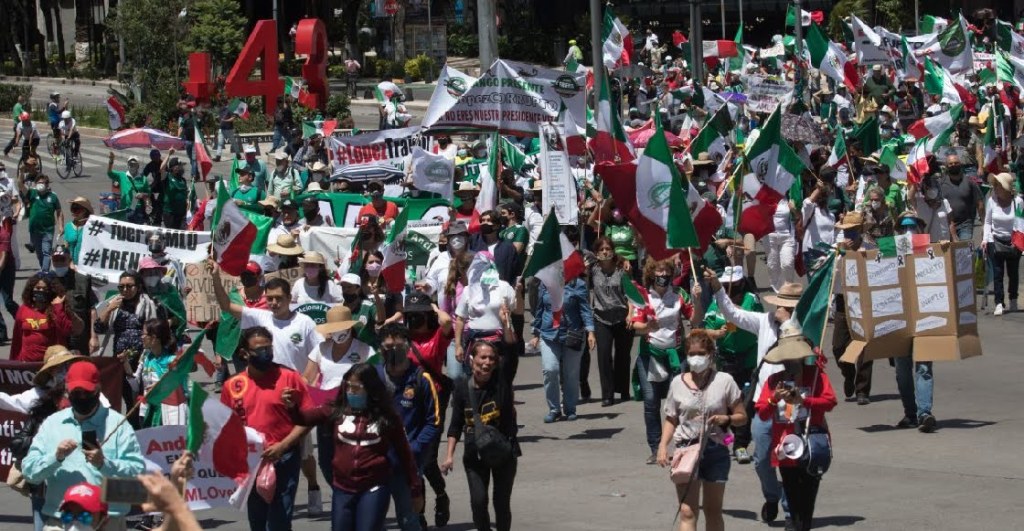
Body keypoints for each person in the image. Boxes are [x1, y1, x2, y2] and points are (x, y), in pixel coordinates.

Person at [702, 269, 800, 529]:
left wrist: (789, 322)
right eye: (779, 305)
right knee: (762, 460)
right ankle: (772, 496)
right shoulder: (765, 321)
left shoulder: (802, 327)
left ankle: (791, 512)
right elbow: (733, 314)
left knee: (789, 459)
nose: (779, 309)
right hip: (764, 403)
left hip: (790, 404)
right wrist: (716, 286)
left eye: (785, 307)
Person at [284, 361, 423, 531]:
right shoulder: (335, 411)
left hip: (374, 487)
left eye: (356, 387)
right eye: (348, 386)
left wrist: (415, 490)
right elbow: (303, 419)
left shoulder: (388, 417)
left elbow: (405, 454)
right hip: (343, 488)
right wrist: (292, 408)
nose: (351, 391)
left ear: (370, 388)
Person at [22, 360, 146, 531]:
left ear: (98, 389)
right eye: (76, 392)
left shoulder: (118, 424)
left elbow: (137, 474)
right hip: (61, 520)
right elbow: (29, 472)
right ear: (67, 390)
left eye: (87, 392)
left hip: (107, 521)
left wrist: (104, 464)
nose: (81, 397)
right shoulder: (52, 424)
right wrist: (55, 457)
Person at [656, 329, 747, 531]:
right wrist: (663, 446)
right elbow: (671, 418)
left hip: (716, 449)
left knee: (712, 510)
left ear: (711, 355)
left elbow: (742, 417)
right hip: (685, 450)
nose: (696, 358)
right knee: (687, 511)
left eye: (700, 353)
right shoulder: (677, 383)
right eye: (691, 354)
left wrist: (727, 418)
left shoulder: (725, 381)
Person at [223, 326, 312, 531]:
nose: (266, 354)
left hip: (284, 457)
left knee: (280, 520)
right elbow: (226, 426)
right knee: (257, 520)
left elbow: (307, 418)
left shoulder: (289, 378)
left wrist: (283, 445)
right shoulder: (233, 386)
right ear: (245, 354)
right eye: (260, 350)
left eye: (269, 349)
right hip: (252, 462)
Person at [755, 321, 837, 531]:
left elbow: (830, 402)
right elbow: (762, 413)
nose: (791, 363)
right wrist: (774, 399)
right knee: (791, 493)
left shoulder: (816, 376)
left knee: (808, 495)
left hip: (811, 443)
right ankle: (796, 523)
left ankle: (803, 525)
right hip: (785, 446)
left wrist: (804, 401)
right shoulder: (774, 381)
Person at [441, 341, 520, 531]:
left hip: (504, 452)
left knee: (501, 503)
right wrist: (449, 456)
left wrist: (508, 321)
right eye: (482, 357)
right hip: (474, 453)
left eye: (492, 358)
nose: (487, 362)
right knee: (478, 501)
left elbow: (511, 352)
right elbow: (455, 425)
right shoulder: (461, 386)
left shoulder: (501, 381)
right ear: (471, 360)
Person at [695, 266, 761, 465]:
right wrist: (718, 333)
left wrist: (738, 314)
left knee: (745, 404)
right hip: (726, 360)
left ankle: (741, 444)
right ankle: (726, 439)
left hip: (748, 359)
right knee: (724, 404)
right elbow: (705, 329)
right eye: (725, 285)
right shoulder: (717, 302)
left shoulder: (751, 299)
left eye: (733, 284)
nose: (729, 288)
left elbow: (760, 322)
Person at [378, 324, 440, 531]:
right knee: (372, 518)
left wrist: (414, 448)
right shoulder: (373, 378)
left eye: (397, 346)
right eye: (387, 347)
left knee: (408, 518)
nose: (392, 351)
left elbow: (434, 422)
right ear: (380, 349)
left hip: (408, 463)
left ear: (408, 347)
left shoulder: (422, 379)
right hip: (375, 462)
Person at [631, 258, 691, 464]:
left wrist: (698, 299)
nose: (663, 274)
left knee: (681, 402)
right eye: (659, 270)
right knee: (651, 401)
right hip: (650, 355)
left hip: (675, 354)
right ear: (651, 273)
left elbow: (696, 318)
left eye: (666, 271)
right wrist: (649, 327)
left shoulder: (680, 295)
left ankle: (683, 445)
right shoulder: (643, 296)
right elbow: (635, 324)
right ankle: (656, 448)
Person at [403, 291, 454, 527]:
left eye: (418, 316)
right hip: (410, 403)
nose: (414, 320)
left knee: (429, 457)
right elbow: (381, 330)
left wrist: (431, 306)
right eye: (410, 316)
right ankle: (419, 513)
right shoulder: (403, 339)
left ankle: (441, 496)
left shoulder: (436, 336)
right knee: (415, 457)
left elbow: (446, 321)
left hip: (435, 401)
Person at [531, 263, 595, 423]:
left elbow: (585, 310)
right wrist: (536, 333)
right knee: (550, 369)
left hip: (572, 334)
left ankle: (570, 408)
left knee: (571, 374)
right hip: (549, 333)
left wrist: (590, 331)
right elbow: (539, 308)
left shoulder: (578, 285)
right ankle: (554, 408)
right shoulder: (545, 284)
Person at [453, 253, 520, 383]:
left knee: (499, 379)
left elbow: (518, 310)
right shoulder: (468, 290)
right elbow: (460, 319)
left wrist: (518, 292)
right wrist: (458, 345)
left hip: (499, 341)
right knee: (475, 379)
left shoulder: (503, 287)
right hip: (475, 340)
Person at [588, 237, 634, 407]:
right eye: (601, 249)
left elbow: (631, 293)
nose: (605, 252)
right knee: (604, 355)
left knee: (623, 355)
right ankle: (607, 394)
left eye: (608, 248)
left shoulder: (622, 270)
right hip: (602, 317)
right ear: (597, 253)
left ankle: (622, 389)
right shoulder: (592, 269)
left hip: (622, 316)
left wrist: (630, 313)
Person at [128, 318, 186, 428]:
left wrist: (160, 385)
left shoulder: (171, 360)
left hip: (167, 412)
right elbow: (135, 384)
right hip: (147, 411)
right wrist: (125, 364)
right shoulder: (146, 357)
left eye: (144, 334)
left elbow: (189, 370)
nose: (142, 337)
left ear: (154, 338)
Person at [11, 272, 80, 362]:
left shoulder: (56, 309)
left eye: (45, 289)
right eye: (38, 288)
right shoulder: (23, 309)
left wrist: (59, 307)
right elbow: (17, 339)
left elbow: (67, 330)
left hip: (51, 364)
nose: (41, 291)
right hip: (26, 363)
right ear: (31, 289)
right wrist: (13, 363)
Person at [983, 172, 1022, 316]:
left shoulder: (1017, 202)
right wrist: (985, 239)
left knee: (1013, 273)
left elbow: (1022, 223)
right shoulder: (992, 200)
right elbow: (987, 222)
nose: (995, 188)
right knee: (998, 273)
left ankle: (1013, 299)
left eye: (998, 185)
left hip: (1013, 241)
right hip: (995, 240)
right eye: (995, 185)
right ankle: (999, 302)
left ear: (1006, 188)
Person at [50, 245, 97, 353]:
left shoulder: (82, 280)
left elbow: (92, 310)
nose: (59, 263)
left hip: (79, 338)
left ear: (69, 260)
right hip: (55, 338)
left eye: (62, 259)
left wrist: (94, 337)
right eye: (55, 259)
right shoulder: (46, 281)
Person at [18, 173, 63, 271]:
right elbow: (20, 185)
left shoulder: (53, 197)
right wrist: (21, 171)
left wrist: (61, 226)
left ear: (47, 185)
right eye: (38, 183)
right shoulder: (32, 193)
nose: (40, 185)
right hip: (34, 230)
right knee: (39, 253)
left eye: (42, 183)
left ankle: (44, 273)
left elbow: (59, 212)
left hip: (48, 229)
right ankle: (44, 269)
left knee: (46, 252)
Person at [939, 154, 984, 242]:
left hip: (965, 224)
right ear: (946, 166)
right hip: (946, 224)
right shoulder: (941, 184)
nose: (953, 165)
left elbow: (980, 203)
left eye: (956, 163)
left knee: (965, 249)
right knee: (950, 253)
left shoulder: (970, 182)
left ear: (960, 164)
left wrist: (984, 223)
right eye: (950, 163)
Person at [469, 210, 520, 284]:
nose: (485, 223)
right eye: (482, 221)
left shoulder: (508, 248)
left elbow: (514, 272)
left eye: (489, 220)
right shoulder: (473, 242)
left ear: (497, 225)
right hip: (478, 287)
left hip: (500, 288)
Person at [766, 196, 798, 293]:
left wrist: (794, 210)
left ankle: (788, 290)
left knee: (787, 264)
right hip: (770, 237)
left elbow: (798, 217)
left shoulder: (790, 197)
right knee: (772, 266)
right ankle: (778, 291)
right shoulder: (765, 198)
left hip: (787, 236)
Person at [107, 153, 150, 222]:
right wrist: (111, 161)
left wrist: (142, 194)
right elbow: (109, 173)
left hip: (138, 209)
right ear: (128, 165)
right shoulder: (122, 175)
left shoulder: (143, 179)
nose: (132, 166)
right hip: (125, 209)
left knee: (137, 230)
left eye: (134, 164)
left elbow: (148, 193)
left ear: (138, 166)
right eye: (130, 164)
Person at [61, 197, 92, 263]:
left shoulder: (92, 227)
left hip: (86, 266)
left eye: (77, 209)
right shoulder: (68, 226)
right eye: (72, 208)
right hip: (70, 265)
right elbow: (65, 246)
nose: (74, 211)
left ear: (85, 211)